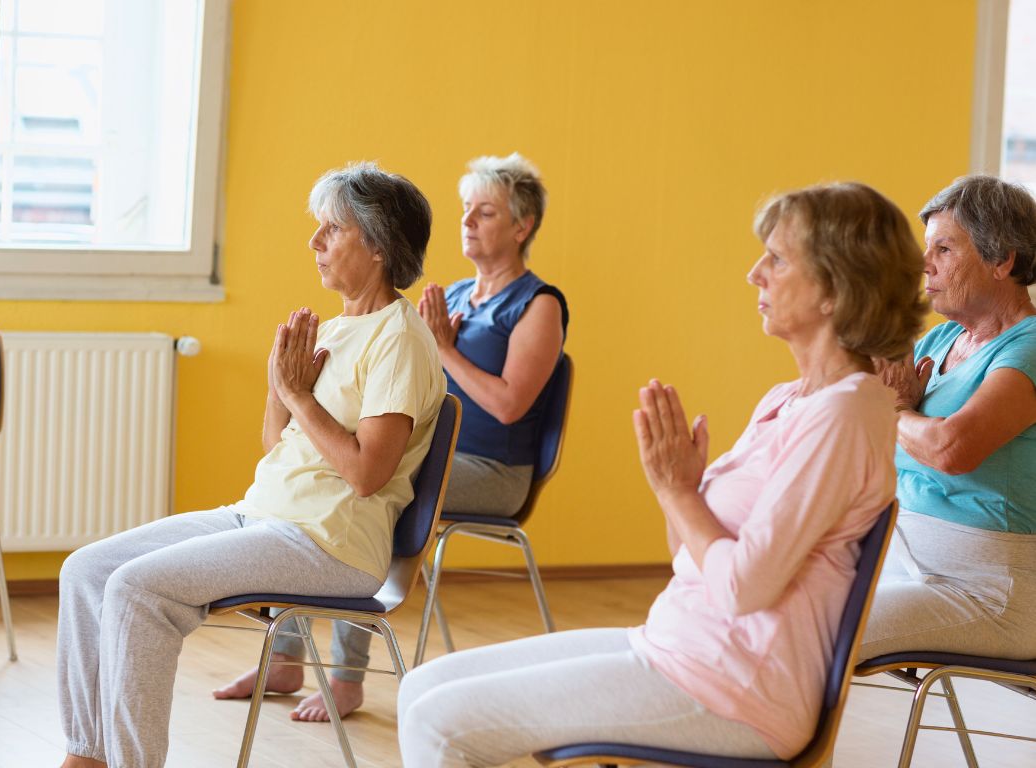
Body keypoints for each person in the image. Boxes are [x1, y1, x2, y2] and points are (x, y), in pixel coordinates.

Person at [397, 182, 928, 767]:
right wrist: (682, 492)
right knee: (420, 689)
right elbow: (688, 556)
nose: (755, 273)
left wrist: (680, 492)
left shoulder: (846, 413)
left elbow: (743, 587)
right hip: (681, 646)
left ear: (836, 288)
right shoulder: (789, 399)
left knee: (437, 724)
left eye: (777, 258)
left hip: (734, 689)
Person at [56, 163, 445, 768]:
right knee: (86, 571)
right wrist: (278, 390)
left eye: (331, 229)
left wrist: (298, 397)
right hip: (261, 516)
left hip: (331, 544)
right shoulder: (338, 329)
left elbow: (367, 473)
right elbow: (277, 448)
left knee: (137, 590)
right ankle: (89, 755)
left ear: (376, 245)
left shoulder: (400, 339)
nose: (314, 243)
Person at [214, 152, 568, 722]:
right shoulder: (447, 299)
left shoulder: (538, 305)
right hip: (423, 452)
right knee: (324, 484)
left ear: (523, 227)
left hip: (491, 469)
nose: (468, 222)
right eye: (465, 211)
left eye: (486, 213)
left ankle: (347, 680)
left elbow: (509, 406)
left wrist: (446, 349)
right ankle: (286, 656)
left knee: (360, 495)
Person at [860, 175, 1036, 663]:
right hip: (904, 566)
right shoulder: (939, 342)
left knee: (811, 639)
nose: (925, 264)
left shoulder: (1030, 347)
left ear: (1002, 260)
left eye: (944, 249)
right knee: (776, 611)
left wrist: (897, 411)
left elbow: (950, 449)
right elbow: (860, 417)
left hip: (986, 592)